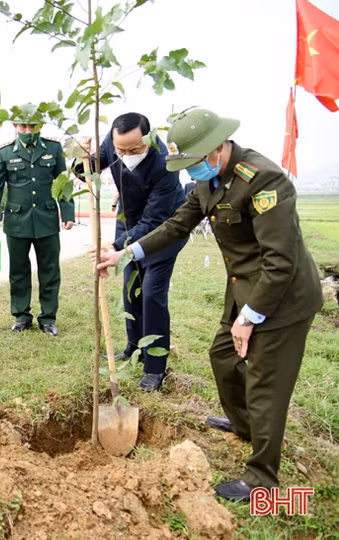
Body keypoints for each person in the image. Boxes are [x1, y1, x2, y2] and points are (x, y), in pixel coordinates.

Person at [97, 107, 323, 502]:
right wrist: (126, 253)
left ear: (218, 148)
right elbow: (176, 224)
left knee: (265, 381)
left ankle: (261, 478)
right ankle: (244, 424)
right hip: (244, 288)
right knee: (222, 356)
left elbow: (280, 261)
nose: (190, 172)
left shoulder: (263, 179)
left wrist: (250, 318)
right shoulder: (208, 179)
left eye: (195, 163)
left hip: (282, 297)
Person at [79, 113, 187, 391]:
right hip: (128, 221)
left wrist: (116, 247)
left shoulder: (166, 164)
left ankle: (154, 367)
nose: (126, 155)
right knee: (131, 290)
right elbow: (87, 171)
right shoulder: (112, 142)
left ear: (148, 140)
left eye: (134, 150)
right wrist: (81, 157)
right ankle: (133, 345)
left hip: (164, 230)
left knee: (152, 295)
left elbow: (154, 221)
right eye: (120, 150)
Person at [0, 120, 75, 336]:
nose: (28, 131)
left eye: (33, 127)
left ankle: (48, 318)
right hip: (17, 221)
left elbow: (63, 182)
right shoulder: (4, 152)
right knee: (18, 271)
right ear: (15, 125)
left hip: (47, 219)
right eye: (23, 127)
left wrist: (67, 213)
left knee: (50, 271)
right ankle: (21, 316)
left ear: (41, 125)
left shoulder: (53, 148)